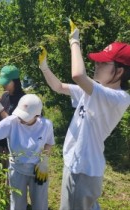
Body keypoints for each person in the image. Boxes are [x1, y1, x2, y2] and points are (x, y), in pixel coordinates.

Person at [38, 20, 130, 210]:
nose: (96, 65)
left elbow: (78, 75)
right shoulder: (95, 92)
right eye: (97, 61)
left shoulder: (117, 98)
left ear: (120, 71)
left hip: (83, 169)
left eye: (103, 63)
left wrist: (74, 42)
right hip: (76, 164)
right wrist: (44, 67)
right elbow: (59, 87)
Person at [0, 65, 25, 151]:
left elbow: (15, 124)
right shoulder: (4, 96)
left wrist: (0, 108)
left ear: (15, 82)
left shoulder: (23, 100)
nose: (3, 84)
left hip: (15, 144)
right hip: (2, 142)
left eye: (6, 82)